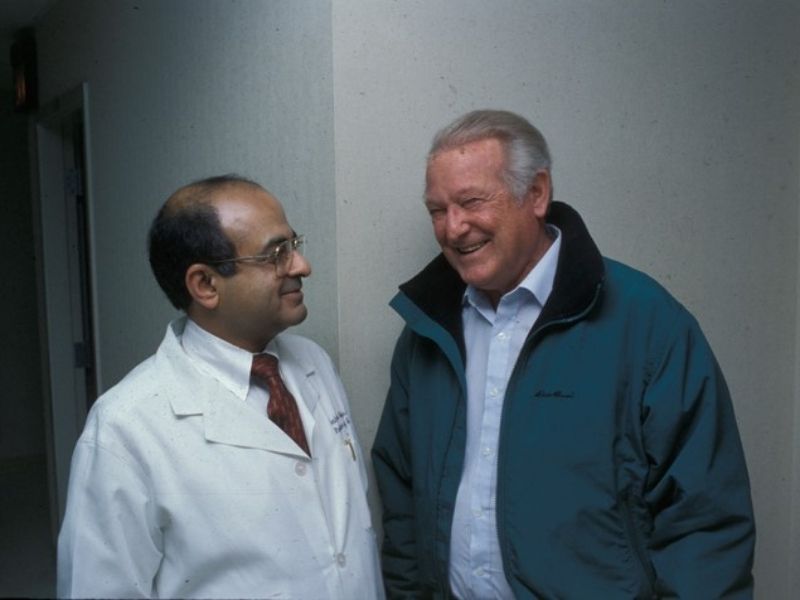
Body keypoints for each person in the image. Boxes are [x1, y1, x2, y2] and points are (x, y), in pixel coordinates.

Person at [372, 110, 755, 598]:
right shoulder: (426, 334)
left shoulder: (646, 323)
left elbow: (706, 522)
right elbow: (403, 501)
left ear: (536, 194)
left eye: (471, 202)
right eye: (436, 210)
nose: (453, 228)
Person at [57, 175, 383, 599]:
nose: (302, 267)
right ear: (206, 285)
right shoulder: (124, 428)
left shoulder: (313, 363)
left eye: (294, 245)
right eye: (276, 254)